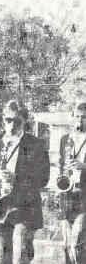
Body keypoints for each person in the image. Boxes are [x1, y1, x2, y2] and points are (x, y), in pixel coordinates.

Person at [0, 100, 50, 264]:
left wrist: (17, 178)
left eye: (17, 121)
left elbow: (43, 178)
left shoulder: (36, 144)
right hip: (0, 206)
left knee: (21, 255)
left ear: (25, 121)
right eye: (8, 120)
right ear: (3, 119)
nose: (11, 125)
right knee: (2, 259)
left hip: (25, 208)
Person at [58, 102, 86, 264]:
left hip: (84, 196)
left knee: (77, 244)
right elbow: (61, 164)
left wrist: (84, 166)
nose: (80, 121)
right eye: (77, 117)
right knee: (67, 246)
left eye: (84, 118)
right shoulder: (65, 140)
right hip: (67, 196)